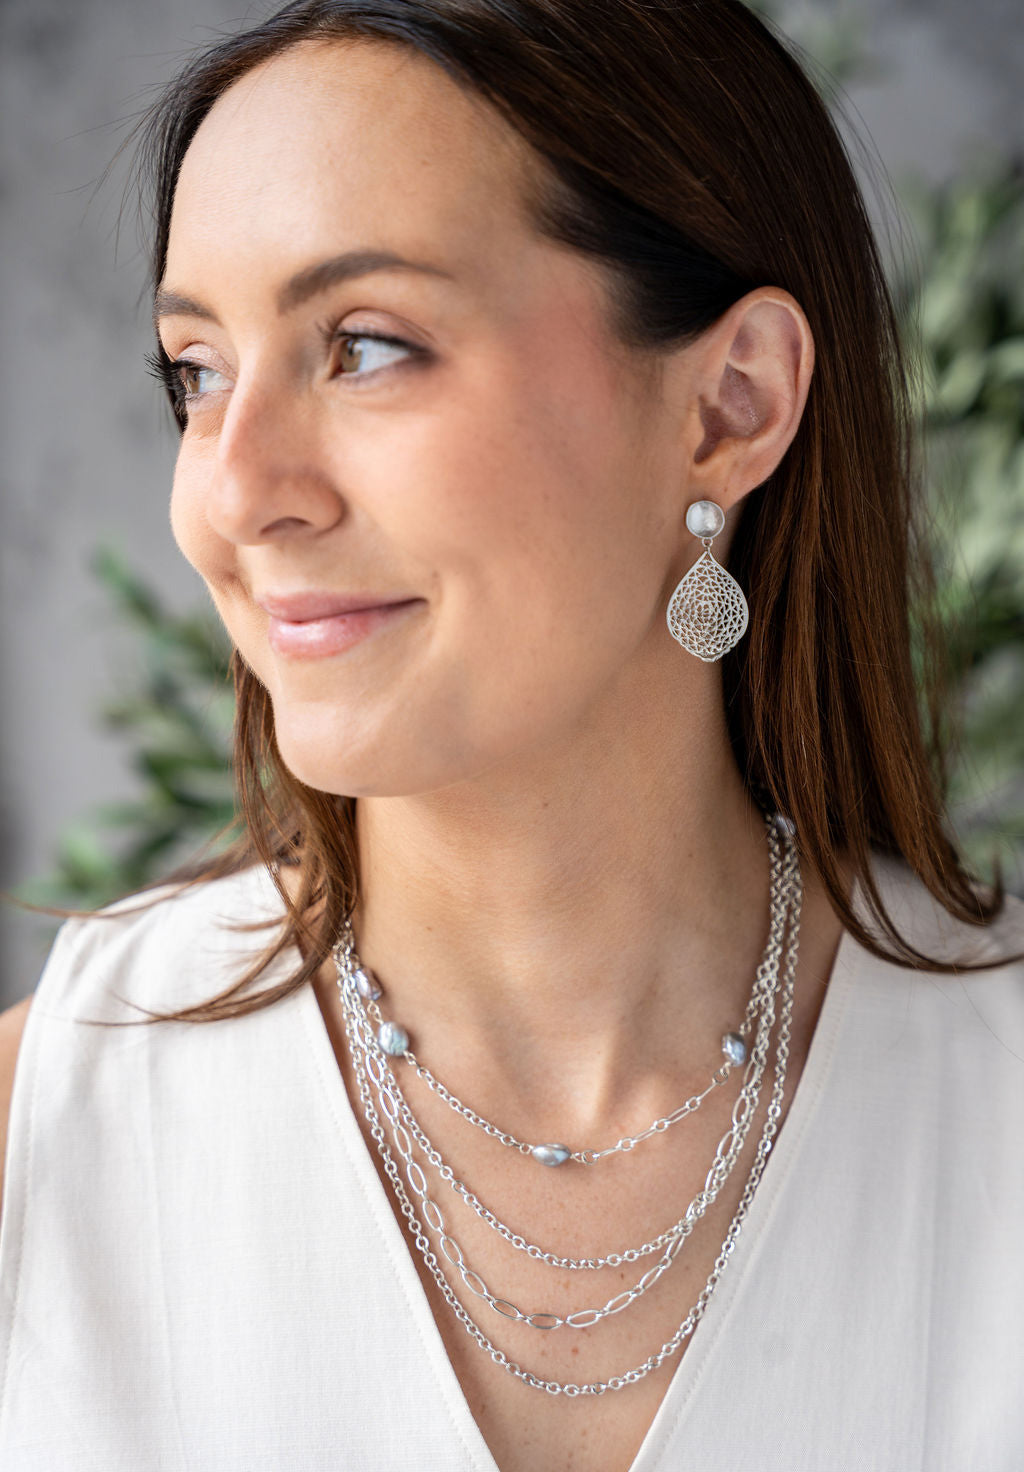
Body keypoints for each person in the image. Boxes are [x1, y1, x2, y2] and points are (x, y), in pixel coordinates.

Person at [1, 1, 1021, 1467]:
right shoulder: (39, 1143)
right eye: (196, 372)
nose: (232, 495)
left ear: (730, 405)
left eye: (365, 346)